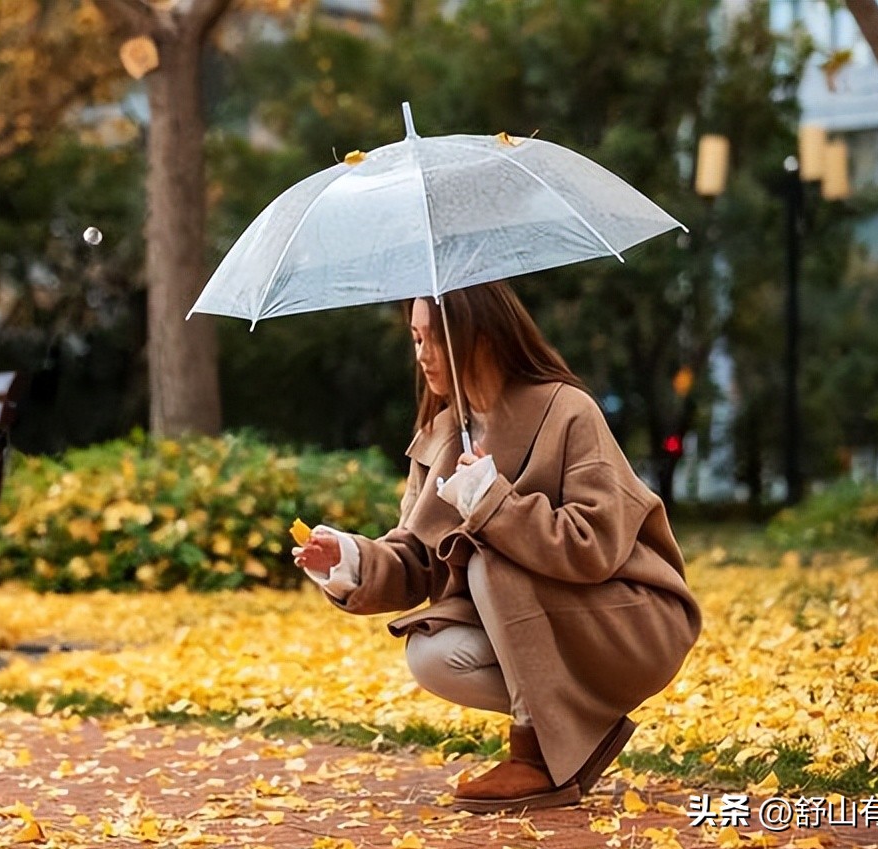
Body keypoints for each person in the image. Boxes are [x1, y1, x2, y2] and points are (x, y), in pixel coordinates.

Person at [293, 281, 702, 813]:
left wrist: (494, 502)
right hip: (546, 625)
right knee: (432, 656)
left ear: (480, 335)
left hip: (630, 621)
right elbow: (418, 560)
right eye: (414, 339)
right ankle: (582, 727)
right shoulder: (440, 436)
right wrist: (348, 559)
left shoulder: (567, 411)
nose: (421, 355)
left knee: (488, 561)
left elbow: (594, 543)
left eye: (433, 338)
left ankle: (536, 754)